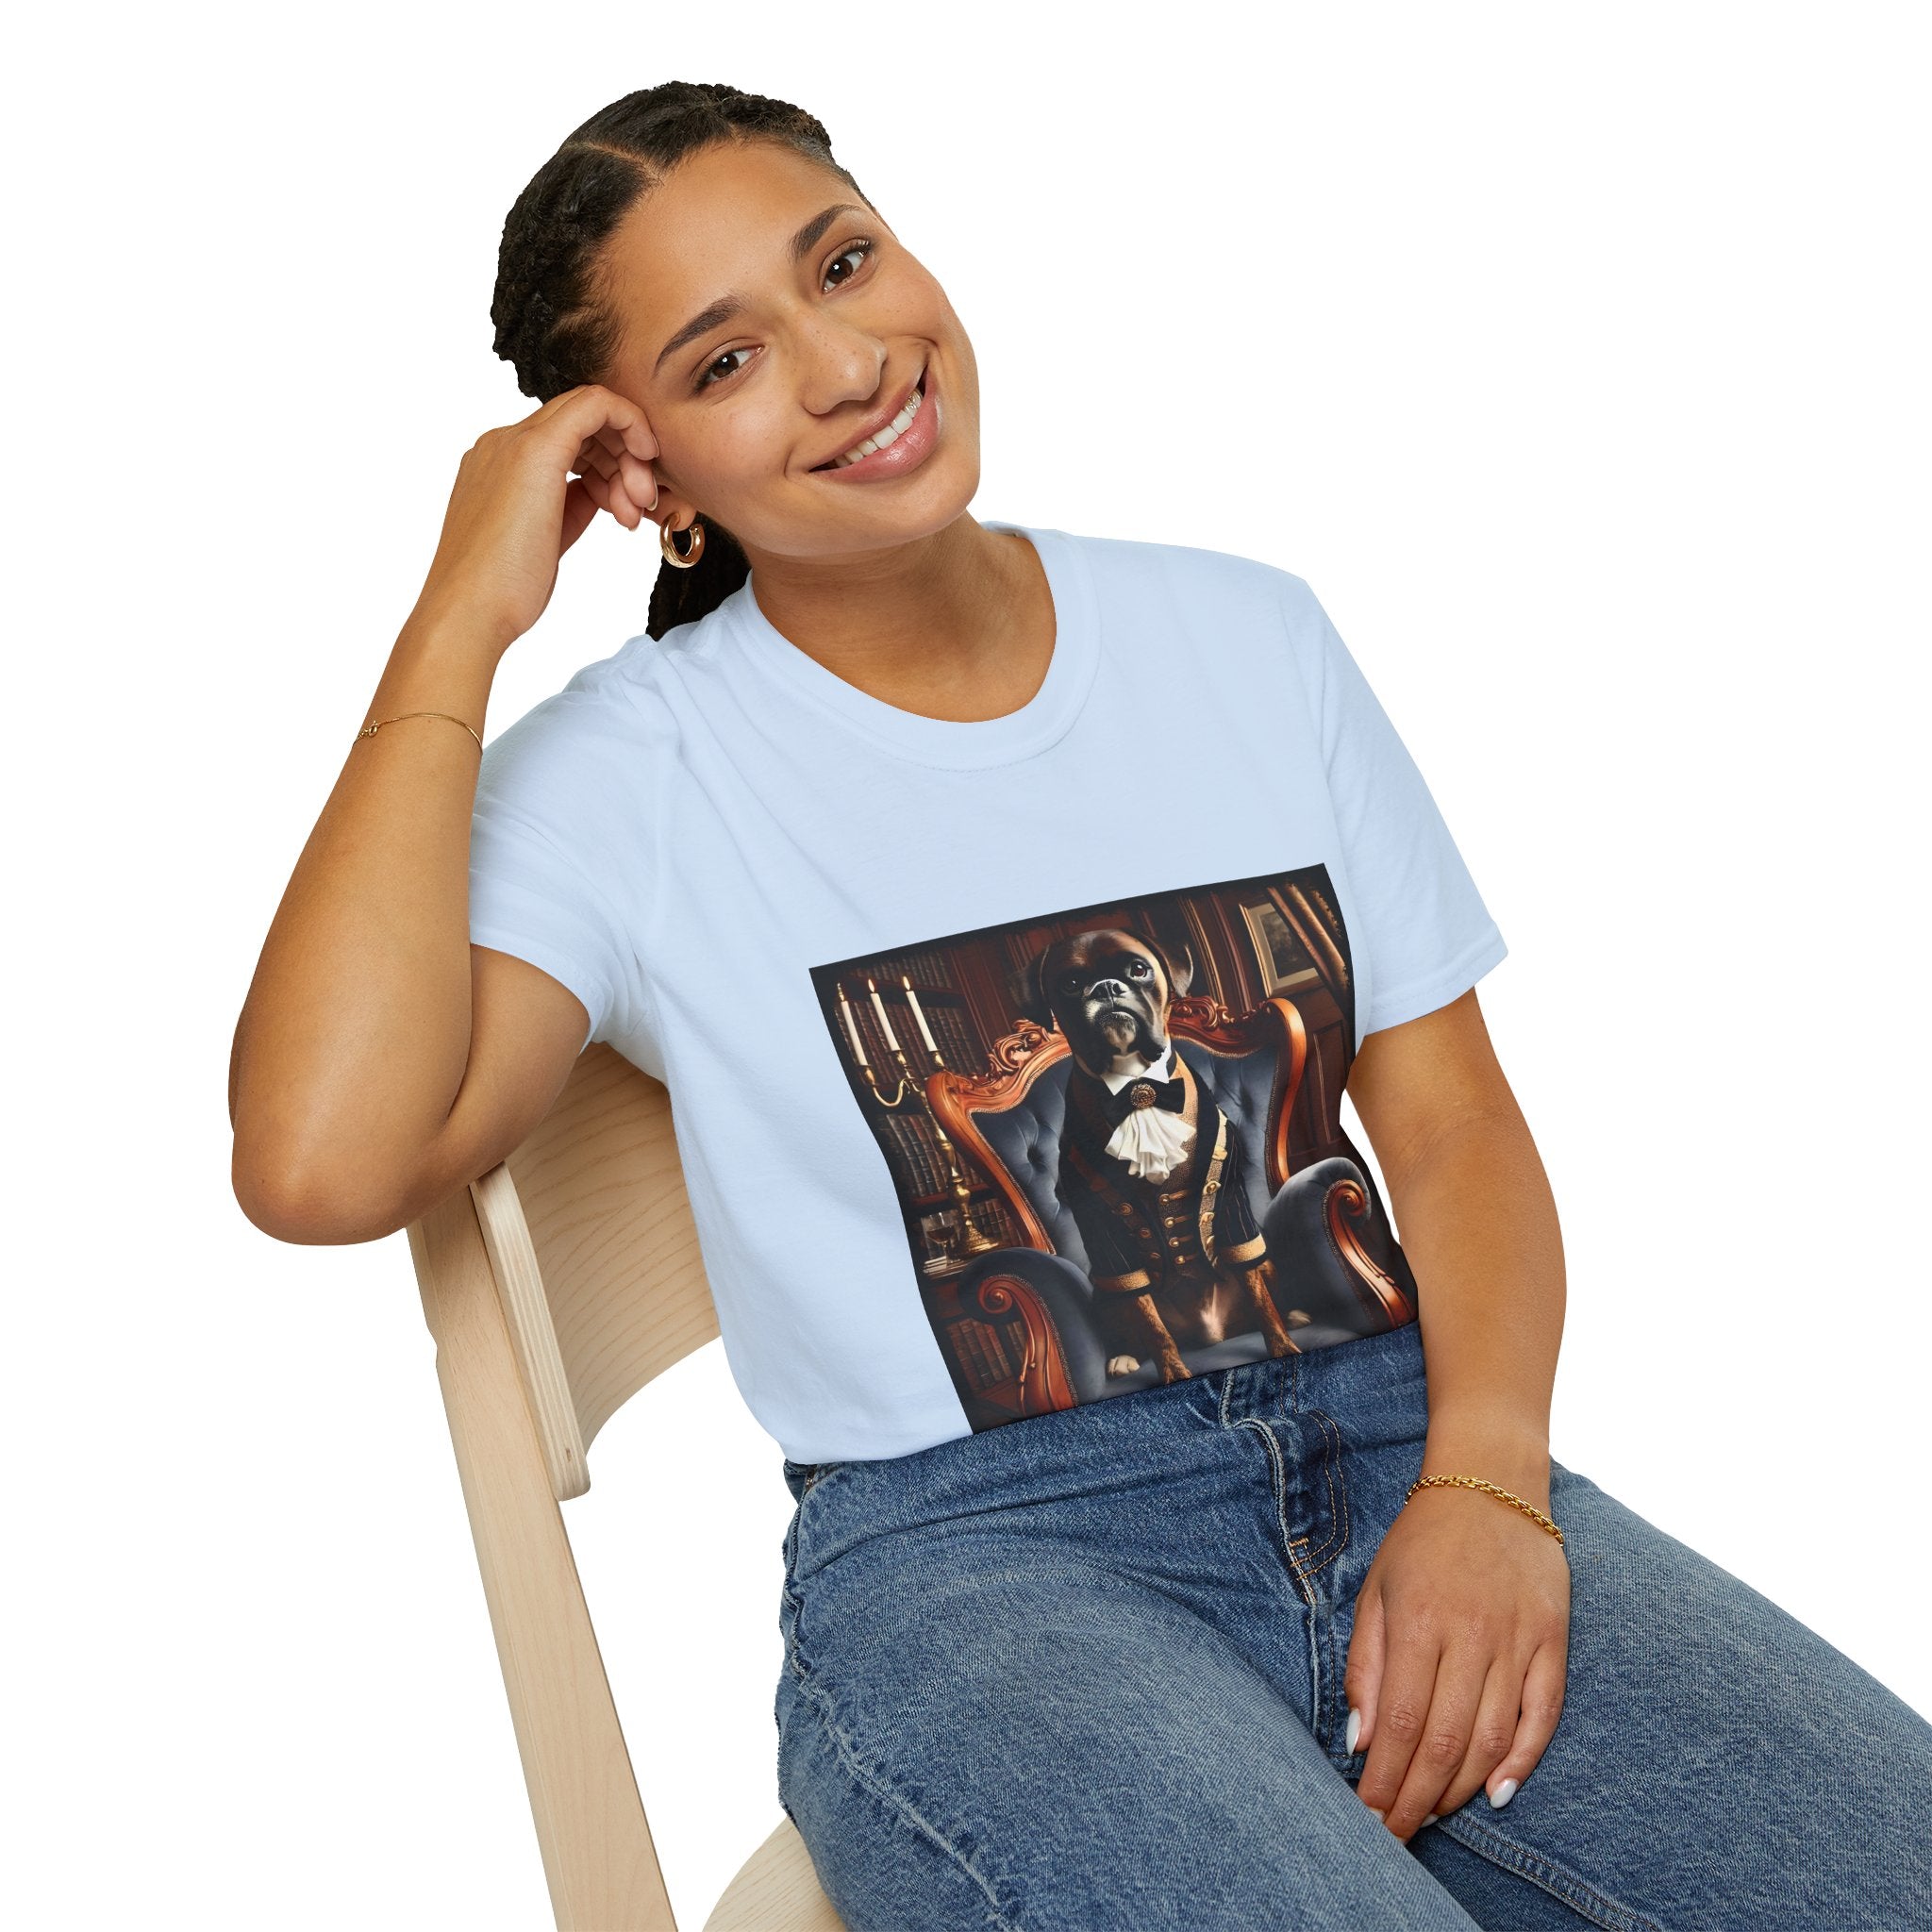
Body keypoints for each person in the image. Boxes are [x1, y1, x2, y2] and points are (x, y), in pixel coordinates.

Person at [228, 80, 1932, 1931]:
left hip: (1401, 1445)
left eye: (845, 262)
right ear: (648, 480)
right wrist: (455, 618)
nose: (845, 361)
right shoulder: (636, 773)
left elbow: (1447, 1130)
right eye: (725, 362)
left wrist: (1489, 1487)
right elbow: (320, 1158)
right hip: (987, 1567)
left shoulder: (1246, 638)